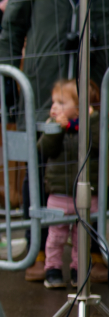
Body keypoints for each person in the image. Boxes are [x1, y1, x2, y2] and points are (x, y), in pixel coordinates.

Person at [38, 79, 97, 291]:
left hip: (87, 193)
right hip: (59, 193)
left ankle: (78, 271)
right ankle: (52, 269)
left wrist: (92, 119)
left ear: (80, 107)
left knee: (82, 237)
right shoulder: (53, 125)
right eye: (54, 102)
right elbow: (45, 149)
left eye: (61, 102)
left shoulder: (92, 125)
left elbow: (100, 141)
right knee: (56, 235)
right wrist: (57, 129)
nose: (54, 106)